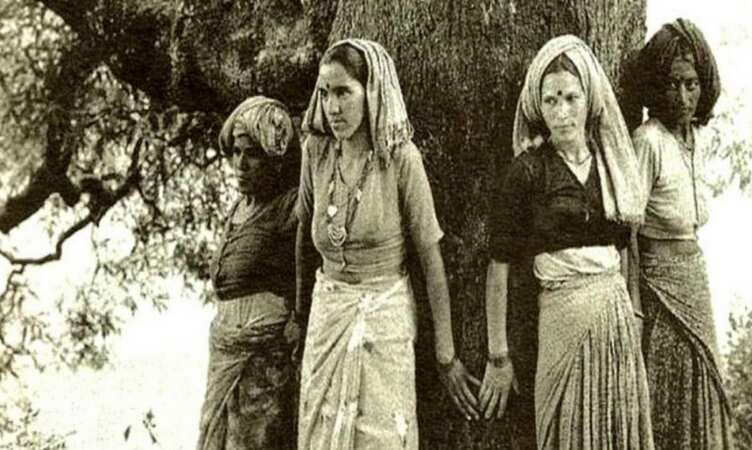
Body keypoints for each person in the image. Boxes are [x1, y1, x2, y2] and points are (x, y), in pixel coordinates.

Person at [294, 38, 479, 449]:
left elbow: (431, 259)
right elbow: (303, 239)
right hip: (327, 318)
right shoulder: (316, 152)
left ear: (371, 91)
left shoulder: (400, 159)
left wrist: (446, 355)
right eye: (325, 93)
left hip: (384, 317)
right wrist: (299, 312)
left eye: (344, 92)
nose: (333, 107)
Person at [481, 35, 654, 449]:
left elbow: (625, 246)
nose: (561, 112)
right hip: (560, 319)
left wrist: (633, 312)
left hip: (615, 323)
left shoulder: (612, 166)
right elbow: (499, 265)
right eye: (551, 100)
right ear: (538, 106)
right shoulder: (528, 171)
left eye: (571, 98)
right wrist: (498, 357)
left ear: (589, 99)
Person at [633, 18, 733, 449]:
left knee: (705, 377)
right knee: (669, 386)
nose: (683, 96)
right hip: (659, 286)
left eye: (691, 84)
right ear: (657, 86)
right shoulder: (648, 141)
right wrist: (635, 299)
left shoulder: (696, 139)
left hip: (694, 277)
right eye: (672, 84)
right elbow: (628, 227)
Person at [196, 96, 300, 450]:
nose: (240, 164)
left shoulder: (290, 206)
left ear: (274, 160)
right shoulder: (240, 207)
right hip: (226, 350)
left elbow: (309, 266)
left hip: (264, 360)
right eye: (236, 152)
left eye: (252, 154)